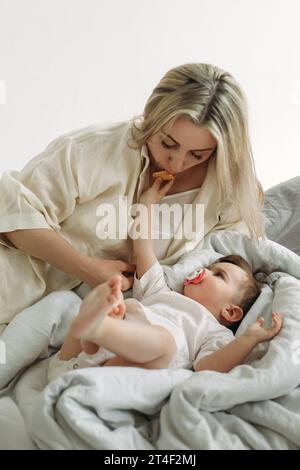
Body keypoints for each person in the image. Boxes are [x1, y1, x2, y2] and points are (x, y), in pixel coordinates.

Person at [0, 63, 264, 332]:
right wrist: (87, 268)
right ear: (151, 116)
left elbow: (234, 272)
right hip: (12, 290)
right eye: (167, 144)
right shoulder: (95, 149)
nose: (176, 163)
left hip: (91, 331)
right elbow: (11, 213)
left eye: (198, 155)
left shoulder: (228, 192)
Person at [47, 178, 281, 382]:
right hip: (73, 359)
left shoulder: (214, 333)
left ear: (230, 312)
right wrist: (148, 203)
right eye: (209, 268)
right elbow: (143, 248)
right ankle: (97, 326)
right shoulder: (160, 291)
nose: (205, 272)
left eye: (218, 275)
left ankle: (97, 328)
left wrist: (250, 338)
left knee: (165, 346)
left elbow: (208, 368)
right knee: (111, 294)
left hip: (110, 373)